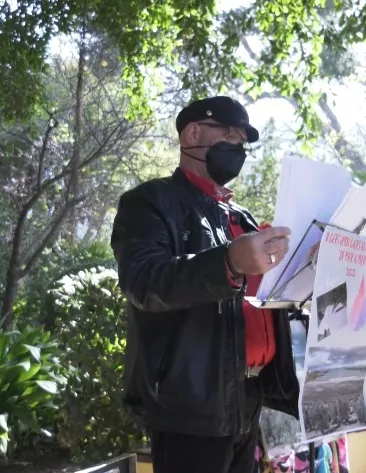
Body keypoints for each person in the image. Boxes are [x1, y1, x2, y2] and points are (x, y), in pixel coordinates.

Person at [110, 96, 299, 473]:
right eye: (228, 134)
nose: (237, 147)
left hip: (249, 399)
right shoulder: (149, 202)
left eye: (242, 141)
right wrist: (228, 262)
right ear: (192, 134)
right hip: (190, 407)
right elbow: (143, 281)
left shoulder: (243, 218)